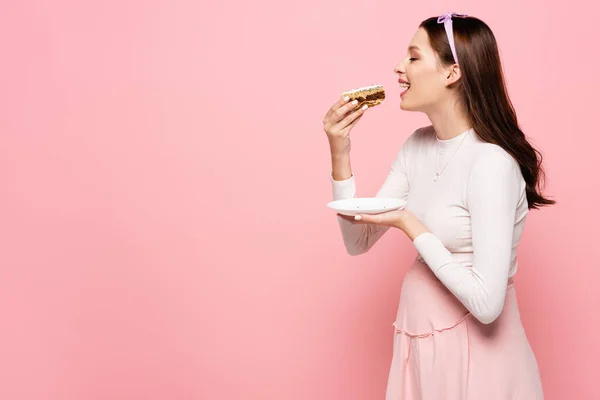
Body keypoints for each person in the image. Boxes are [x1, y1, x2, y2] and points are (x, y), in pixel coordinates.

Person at [322, 13, 553, 399]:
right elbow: (357, 239)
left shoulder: (491, 164)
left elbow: (486, 304)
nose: (398, 67)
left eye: (413, 57)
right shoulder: (417, 146)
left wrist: (412, 225)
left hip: (479, 367)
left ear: (451, 73)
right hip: (422, 356)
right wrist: (339, 150)